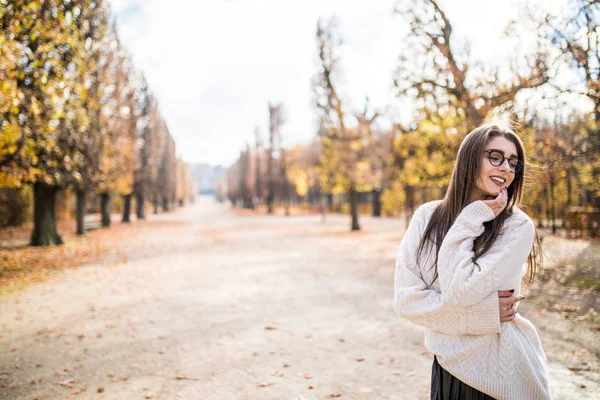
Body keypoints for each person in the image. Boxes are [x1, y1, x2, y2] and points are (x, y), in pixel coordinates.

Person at [394, 124, 550, 400]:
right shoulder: (426, 217)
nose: (506, 168)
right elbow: (406, 302)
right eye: (495, 157)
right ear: (469, 158)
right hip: (447, 370)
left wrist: (470, 219)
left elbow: (460, 289)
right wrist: (483, 316)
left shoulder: (516, 227)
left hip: (500, 377)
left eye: (513, 162)